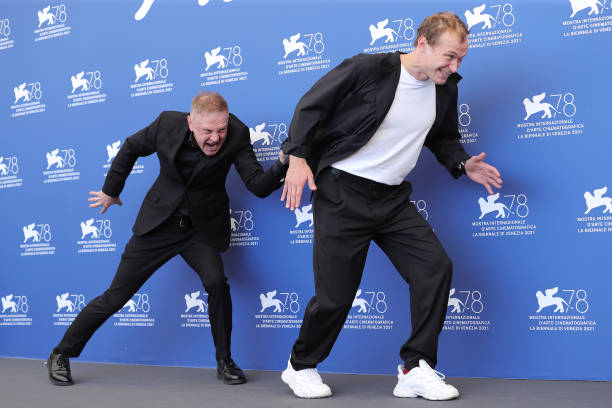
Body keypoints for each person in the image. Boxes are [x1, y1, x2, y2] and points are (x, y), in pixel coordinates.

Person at [279, 12, 502, 400]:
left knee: (434, 267)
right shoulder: (370, 68)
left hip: (392, 198)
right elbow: (310, 106)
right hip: (342, 192)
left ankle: (414, 367)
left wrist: (463, 163)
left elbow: (444, 137)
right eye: (449, 57)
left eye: (461, 60)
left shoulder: (444, 87)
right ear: (422, 44)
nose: (454, 67)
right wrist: (297, 156)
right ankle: (300, 366)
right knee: (335, 296)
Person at [47, 91, 288, 386]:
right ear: (190, 123)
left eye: (221, 130)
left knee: (216, 283)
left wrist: (281, 162)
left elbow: (257, 185)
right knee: (115, 296)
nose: (216, 138)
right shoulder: (166, 124)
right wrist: (112, 190)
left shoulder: (237, 134)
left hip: (199, 229)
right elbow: (131, 146)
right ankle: (60, 353)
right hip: (158, 225)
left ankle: (224, 361)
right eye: (207, 131)